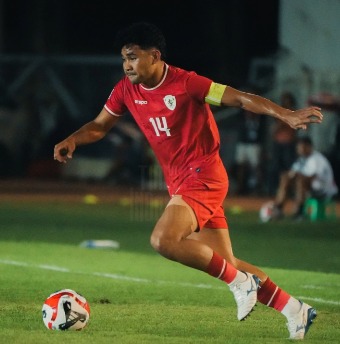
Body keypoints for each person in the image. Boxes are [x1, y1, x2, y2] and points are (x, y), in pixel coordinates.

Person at [54, 22, 322, 339]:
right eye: (124, 58)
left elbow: (239, 99)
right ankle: (296, 311)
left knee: (163, 240)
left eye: (133, 57)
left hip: (203, 175)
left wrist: (285, 114)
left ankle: (240, 283)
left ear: (154, 55)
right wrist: (74, 138)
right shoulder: (126, 90)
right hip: (180, 183)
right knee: (229, 261)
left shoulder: (187, 83)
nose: (127, 65)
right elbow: (99, 126)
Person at [273, 136, 338, 219]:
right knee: (286, 178)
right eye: (299, 147)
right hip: (309, 189)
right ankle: (278, 208)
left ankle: (299, 212)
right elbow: (291, 175)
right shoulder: (301, 160)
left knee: (301, 180)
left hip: (324, 191)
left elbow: (312, 178)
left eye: (303, 147)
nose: (300, 149)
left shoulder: (317, 159)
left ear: (309, 147)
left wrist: (297, 176)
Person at [268, 91, 297, 194]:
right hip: (278, 144)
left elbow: (296, 128)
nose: (287, 104)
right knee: (276, 167)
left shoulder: (294, 113)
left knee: (290, 168)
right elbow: (274, 129)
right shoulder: (279, 112)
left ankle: (289, 191)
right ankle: (273, 190)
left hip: (289, 144)